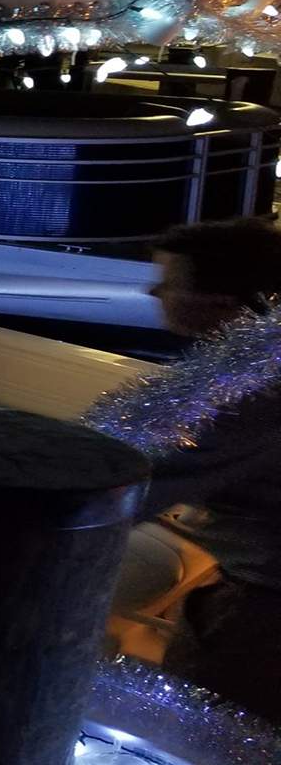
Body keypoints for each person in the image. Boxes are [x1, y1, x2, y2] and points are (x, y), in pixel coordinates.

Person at [129, 218, 281, 721]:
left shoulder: (245, 391)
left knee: (195, 724)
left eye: (171, 280)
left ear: (221, 302)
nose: (155, 290)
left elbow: (125, 481)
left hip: (264, 606)